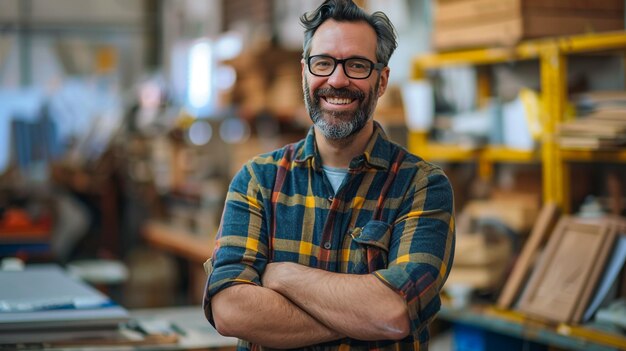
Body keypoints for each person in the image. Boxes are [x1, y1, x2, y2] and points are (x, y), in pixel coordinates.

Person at [202, 0, 455, 349]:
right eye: (323, 63)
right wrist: (363, 317)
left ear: (381, 81)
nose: (337, 79)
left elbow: (394, 311)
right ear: (304, 73)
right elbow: (230, 311)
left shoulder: (422, 186)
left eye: (357, 65)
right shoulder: (257, 181)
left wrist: (283, 275)